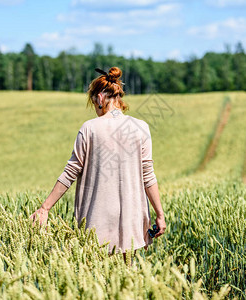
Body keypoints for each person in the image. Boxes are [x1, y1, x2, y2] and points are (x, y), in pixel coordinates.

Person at [30, 67, 166, 254]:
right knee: (128, 279)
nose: (95, 109)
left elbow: (70, 172)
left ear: (100, 98)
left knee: (97, 279)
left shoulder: (89, 129)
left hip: (95, 223)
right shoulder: (140, 127)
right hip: (132, 223)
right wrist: (159, 214)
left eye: (93, 103)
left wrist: (45, 208)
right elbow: (148, 175)